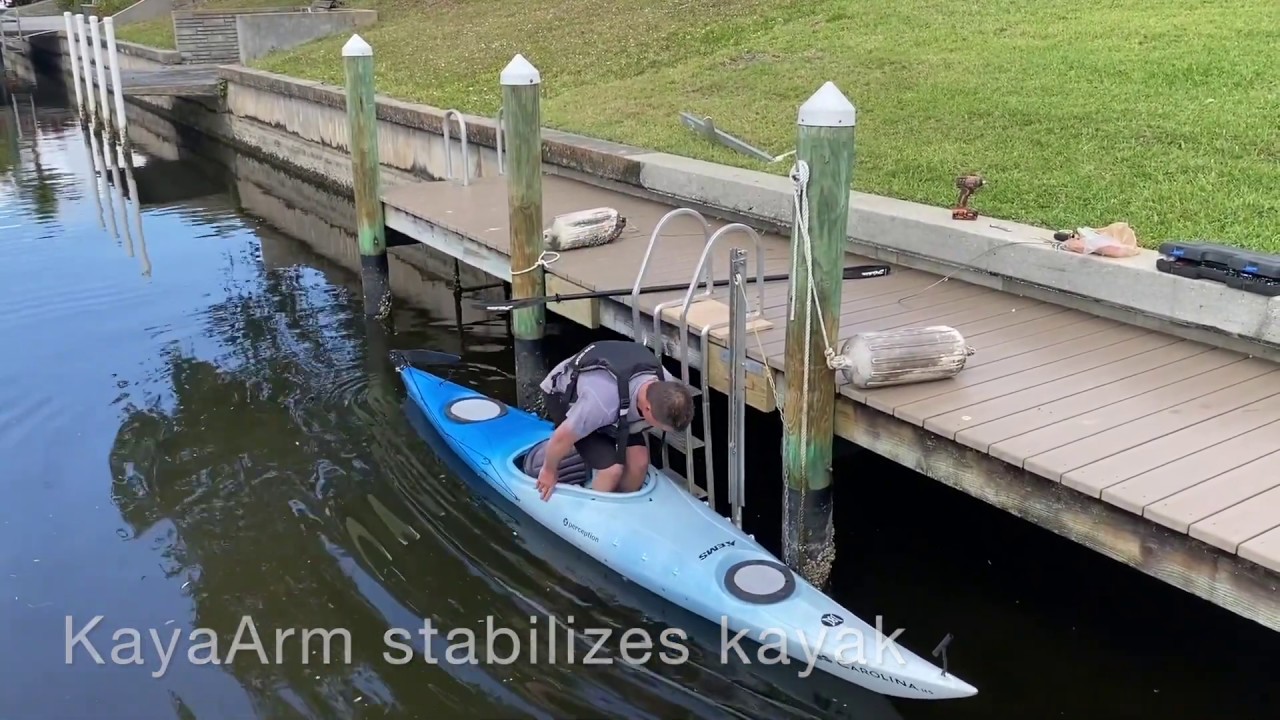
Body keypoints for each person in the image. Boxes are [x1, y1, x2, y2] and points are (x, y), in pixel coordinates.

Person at [536, 340, 695, 500]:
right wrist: (549, 471)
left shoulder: (666, 382)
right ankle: (595, 512)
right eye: (658, 425)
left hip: (621, 411)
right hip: (565, 398)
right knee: (612, 470)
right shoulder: (601, 402)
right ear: (647, 409)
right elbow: (562, 437)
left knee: (639, 463)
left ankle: (622, 503)